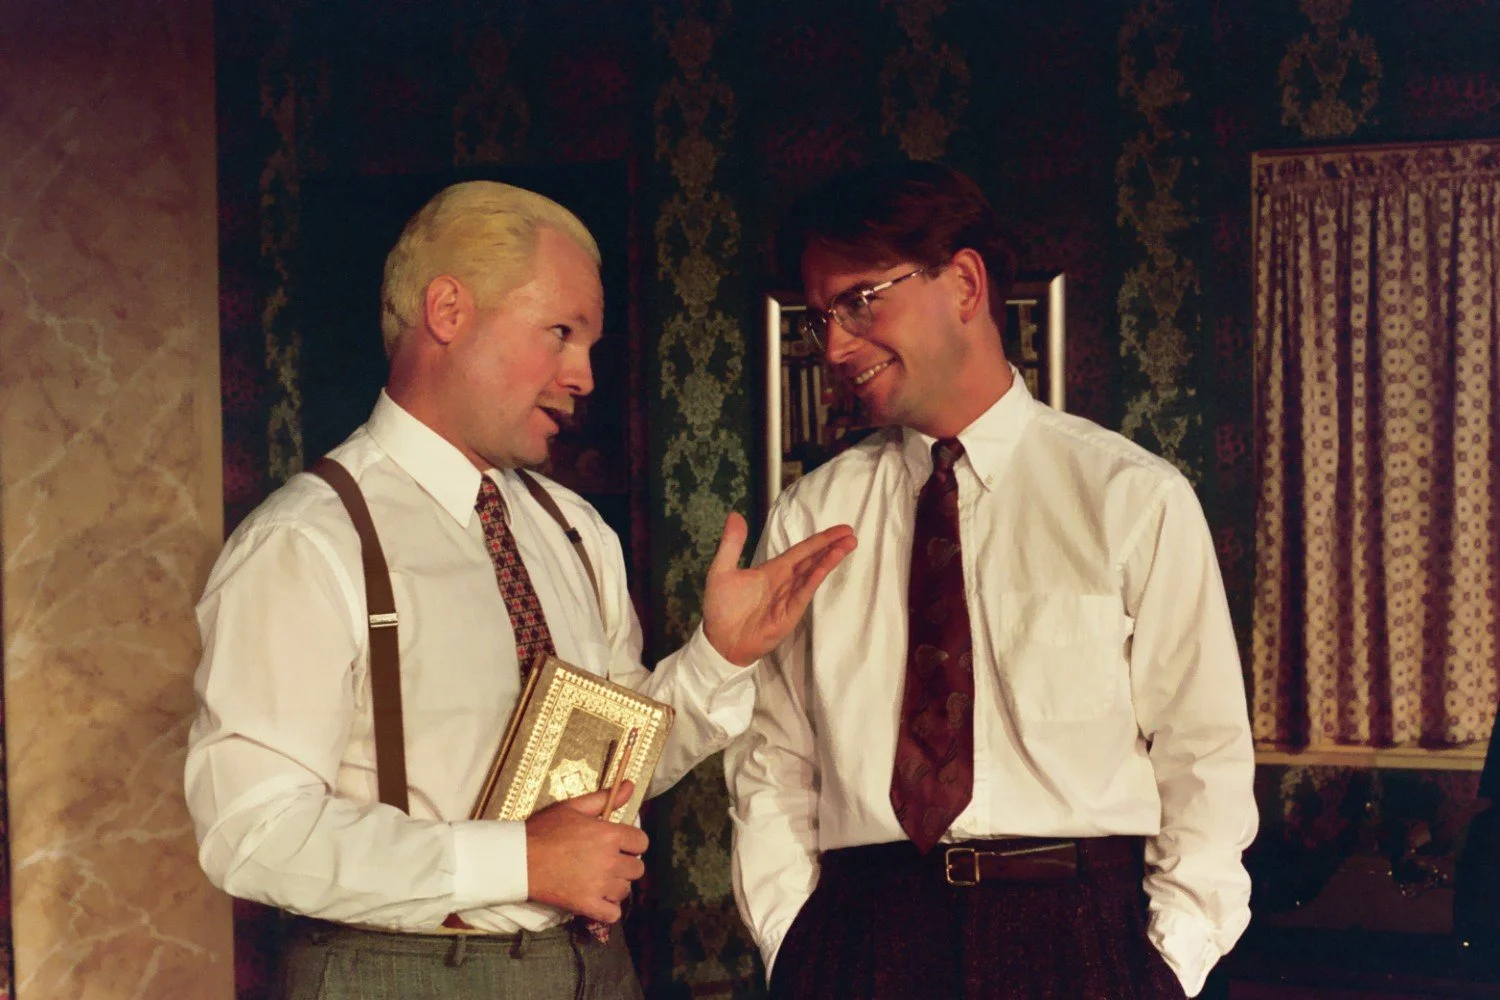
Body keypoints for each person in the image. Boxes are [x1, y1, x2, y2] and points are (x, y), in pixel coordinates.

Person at [185, 180, 856, 1000]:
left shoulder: (573, 531)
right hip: (399, 973)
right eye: (560, 333)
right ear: (448, 311)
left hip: (595, 970)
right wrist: (522, 862)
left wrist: (718, 657)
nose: (584, 376)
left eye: (590, 346)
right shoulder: (306, 542)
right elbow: (249, 831)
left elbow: (610, 781)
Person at [725, 161, 1256, 1000]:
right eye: (821, 315)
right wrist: (794, 944)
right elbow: (774, 760)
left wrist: (1168, 966)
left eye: (862, 300)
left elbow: (1206, 756)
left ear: (965, 283)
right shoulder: (809, 517)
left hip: (1079, 938)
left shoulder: (1131, 498)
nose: (832, 345)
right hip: (862, 939)